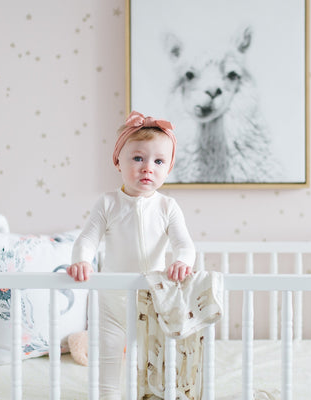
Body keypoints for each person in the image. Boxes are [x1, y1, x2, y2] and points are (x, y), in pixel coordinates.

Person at [66, 110, 196, 400]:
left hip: (154, 301)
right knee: (108, 358)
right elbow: (87, 238)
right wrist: (82, 260)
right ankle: (107, 395)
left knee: (156, 362)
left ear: (168, 168)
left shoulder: (167, 207)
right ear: (118, 161)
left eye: (158, 161)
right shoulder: (108, 203)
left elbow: (185, 245)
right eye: (138, 158)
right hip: (111, 301)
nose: (148, 168)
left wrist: (182, 261)